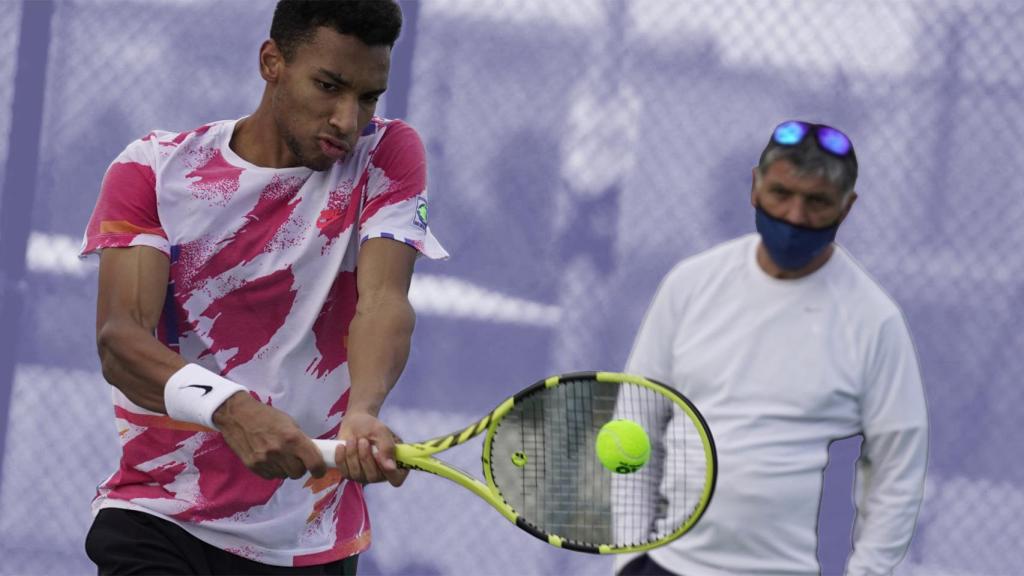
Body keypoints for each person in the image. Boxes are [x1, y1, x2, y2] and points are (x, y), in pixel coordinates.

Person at [79, 1, 447, 573]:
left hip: (311, 543)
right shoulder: (154, 170)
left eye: (369, 97)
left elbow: (382, 300)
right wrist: (231, 409)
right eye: (329, 86)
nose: (348, 121)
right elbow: (121, 341)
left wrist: (364, 410)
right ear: (271, 61)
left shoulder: (386, 156)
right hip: (160, 523)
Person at [616, 121, 928, 575]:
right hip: (666, 565)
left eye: (817, 201)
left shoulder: (874, 321)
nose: (795, 217)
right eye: (781, 193)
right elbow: (635, 422)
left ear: (847, 207)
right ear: (755, 188)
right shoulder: (690, 285)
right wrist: (629, 557)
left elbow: (899, 475)